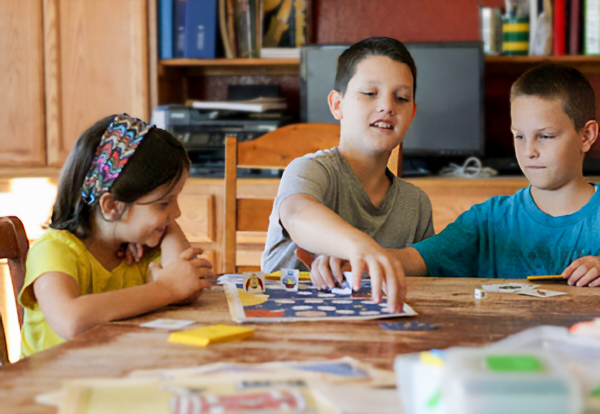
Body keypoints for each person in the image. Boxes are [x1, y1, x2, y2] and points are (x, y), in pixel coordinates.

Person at [315, 63, 600, 287]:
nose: (529, 151)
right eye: (519, 136)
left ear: (586, 136)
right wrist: (356, 262)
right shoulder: (486, 221)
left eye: (546, 136)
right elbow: (415, 259)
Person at [261, 37, 434, 312]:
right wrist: (363, 248)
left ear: (411, 114)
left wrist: (366, 265)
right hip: (291, 329)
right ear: (337, 104)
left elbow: (424, 279)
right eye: (369, 93)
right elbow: (295, 213)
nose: (387, 106)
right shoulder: (309, 169)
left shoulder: (417, 204)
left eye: (401, 98)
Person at [19, 114, 213, 357]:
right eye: (164, 203)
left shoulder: (136, 247)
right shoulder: (54, 250)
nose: (177, 212)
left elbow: (187, 286)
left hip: (116, 376)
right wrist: (166, 289)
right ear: (112, 207)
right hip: (51, 386)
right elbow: (70, 320)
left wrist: (167, 226)